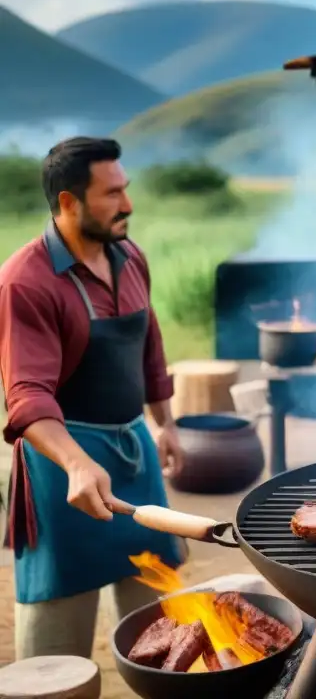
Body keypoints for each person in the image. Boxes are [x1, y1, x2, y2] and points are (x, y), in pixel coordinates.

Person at [0, 137, 186, 660]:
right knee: (54, 649)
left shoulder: (131, 258)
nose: (127, 205)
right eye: (111, 194)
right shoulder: (25, 281)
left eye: (125, 189)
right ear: (67, 202)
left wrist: (165, 423)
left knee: (162, 622)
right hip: (63, 470)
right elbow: (27, 397)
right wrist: (78, 466)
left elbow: (149, 346)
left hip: (135, 455)